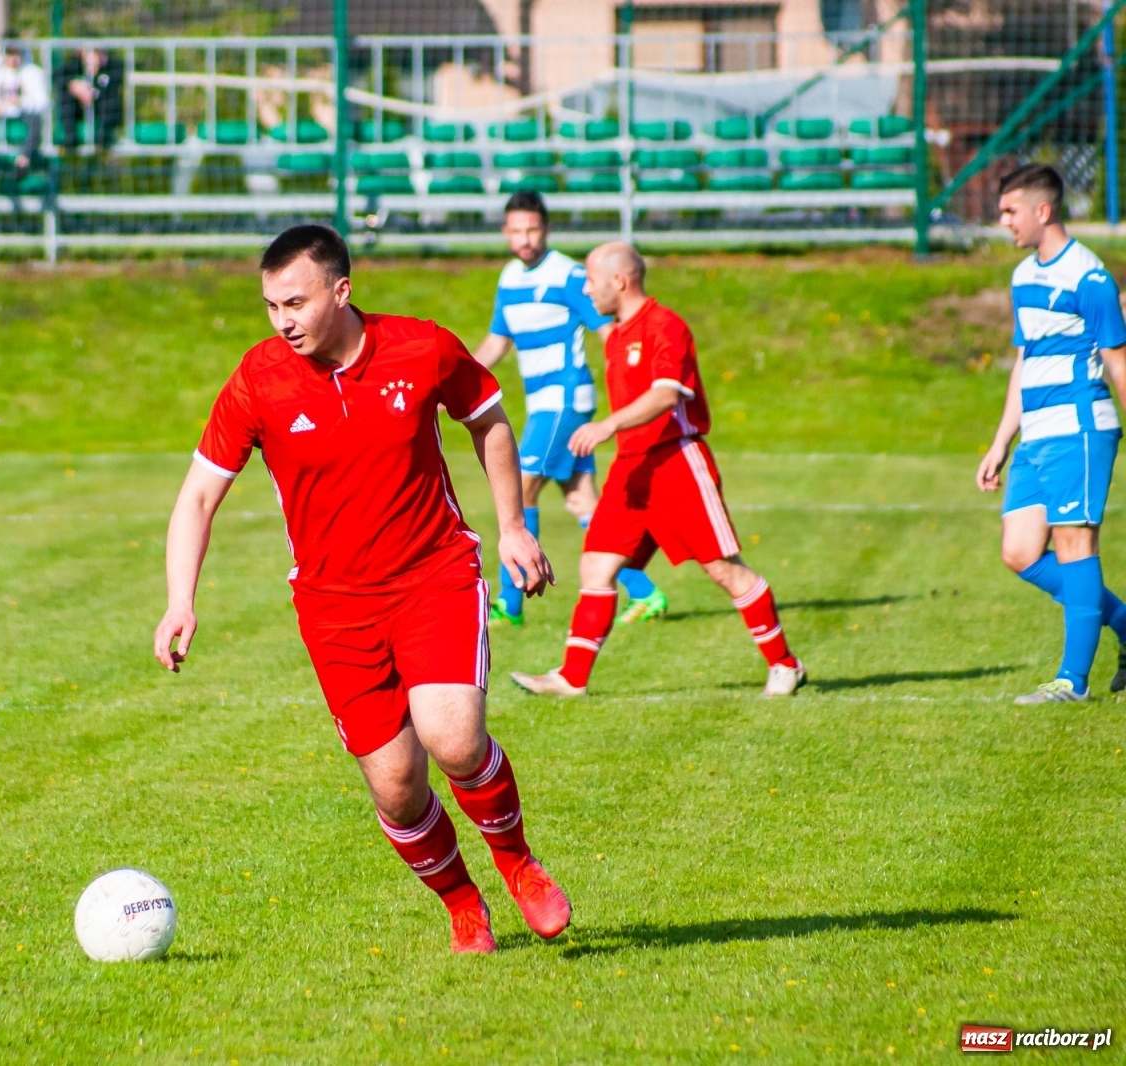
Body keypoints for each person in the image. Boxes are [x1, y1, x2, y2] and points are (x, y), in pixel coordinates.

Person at [154, 224, 572, 954]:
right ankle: (462, 903)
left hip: (433, 574)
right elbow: (196, 497)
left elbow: (490, 422)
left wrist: (513, 525)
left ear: (341, 291)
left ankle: (517, 863)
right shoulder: (259, 378)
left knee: (454, 737)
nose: (282, 321)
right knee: (397, 785)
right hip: (334, 607)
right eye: (269, 306)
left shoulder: (421, 347)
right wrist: (179, 600)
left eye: (295, 302)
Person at [511, 243, 806, 699]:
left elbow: (668, 393)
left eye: (590, 279)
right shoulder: (617, 332)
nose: (585, 288)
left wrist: (608, 423)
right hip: (632, 469)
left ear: (620, 281)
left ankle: (786, 665)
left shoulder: (665, 326)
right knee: (595, 566)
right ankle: (571, 678)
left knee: (725, 571)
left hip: (675, 463)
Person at [473, 190, 669, 629]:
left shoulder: (568, 275)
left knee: (519, 489)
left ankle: (511, 601)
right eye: (517, 230)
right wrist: (455, 376)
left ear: (546, 229)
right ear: (505, 232)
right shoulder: (509, 278)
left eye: (533, 229)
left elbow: (610, 333)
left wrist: (630, 397)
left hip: (564, 402)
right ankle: (646, 593)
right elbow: (497, 342)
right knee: (585, 503)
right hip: (545, 405)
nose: (525, 238)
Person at [975, 163, 1126, 703]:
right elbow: (1024, 362)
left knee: (1073, 545)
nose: (1003, 221)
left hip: (1080, 428)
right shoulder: (1022, 277)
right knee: (1019, 551)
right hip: (1036, 434)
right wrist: (1001, 441)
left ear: (1044, 210)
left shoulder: (1089, 278)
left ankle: (1072, 681)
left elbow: (1118, 361)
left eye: (1010, 211)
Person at [0, 45, 50, 178]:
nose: (14, 59)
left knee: (35, 121)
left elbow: (42, 103)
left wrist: (21, 102)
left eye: (17, 54)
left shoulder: (32, 73)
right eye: (10, 54)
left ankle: (24, 161)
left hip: (23, 113)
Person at [57, 47, 124, 151]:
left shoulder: (111, 67)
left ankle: (103, 137)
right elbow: (57, 75)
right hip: (80, 110)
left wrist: (91, 91)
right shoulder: (74, 67)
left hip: (101, 110)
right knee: (66, 97)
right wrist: (73, 84)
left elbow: (109, 85)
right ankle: (70, 137)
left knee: (109, 101)